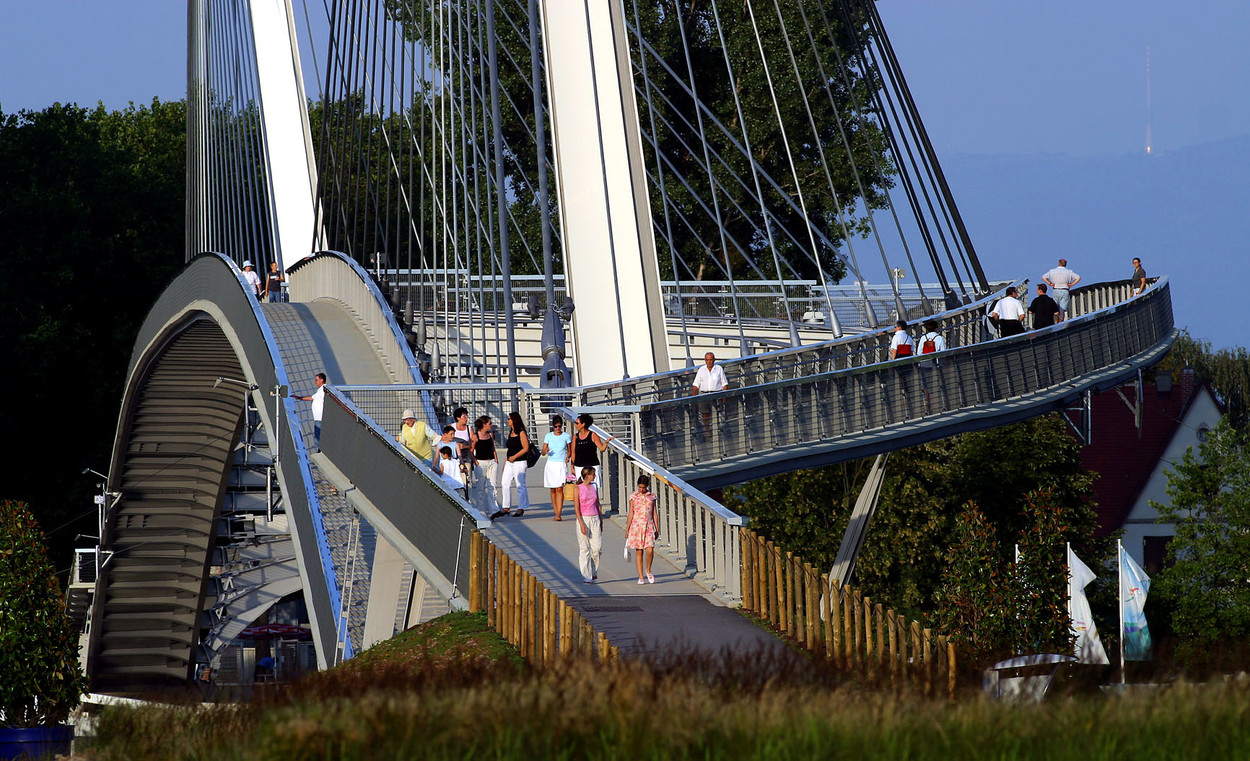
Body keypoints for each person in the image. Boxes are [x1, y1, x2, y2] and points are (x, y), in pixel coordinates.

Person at [496, 412, 531, 518]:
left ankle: (521, 508)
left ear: (514, 420)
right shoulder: (511, 432)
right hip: (509, 462)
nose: (508, 421)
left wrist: (514, 457)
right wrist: (506, 462)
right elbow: (510, 449)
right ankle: (506, 506)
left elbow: (526, 448)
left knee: (520, 484)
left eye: (509, 419)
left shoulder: (521, 432)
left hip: (519, 462)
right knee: (505, 482)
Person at [625, 475, 659, 584]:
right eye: (640, 487)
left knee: (650, 549)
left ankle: (648, 570)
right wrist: (627, 528)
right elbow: (631, 512)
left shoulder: (652, 496)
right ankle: (640, 576)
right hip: (637, 526)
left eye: (643, 487)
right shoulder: (633, 496)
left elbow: (654, 513)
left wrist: (657, 528)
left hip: (649, 525)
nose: (641, 489)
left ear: (647, 486)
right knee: (639, 551)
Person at [574, 467, 603, 583]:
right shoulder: (578, 488)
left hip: (595, 518)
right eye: (593, 474)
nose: (594, 476)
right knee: (584, 548)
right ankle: (587, 575)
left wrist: (601, 520)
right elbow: (576, 508)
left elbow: (598, 504)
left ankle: (593, 571)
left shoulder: (594, 486)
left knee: (597, 548)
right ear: (587, 475)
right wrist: (581, 524)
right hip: (584, 518)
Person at [691, 352, 729, 439]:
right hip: (704, 395)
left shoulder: (719, 369)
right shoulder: (701, 370)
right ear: (705, 360)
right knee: (705, 414)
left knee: (717, 414)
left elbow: (724, 384)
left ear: (714, 360)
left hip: (716, 394)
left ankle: (717, 431)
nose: (709, 362)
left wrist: (725, 396)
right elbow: (696, 385)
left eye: (711, 360)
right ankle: (708, 431)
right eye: (707, 360)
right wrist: (694, 397)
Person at [542, 416, 573, 521]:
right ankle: (556, 511)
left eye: (559, 426)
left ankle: (559, 513)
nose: (557, 428)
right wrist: (545, 451)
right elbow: (543, 451)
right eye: (555, 426)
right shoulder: (548, 436)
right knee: (553, 489)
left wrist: (568, 457)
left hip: (560, 464)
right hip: (551, 464)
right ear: (553, 426)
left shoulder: (566, 436)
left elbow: (569, 450)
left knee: (559, 488)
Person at [571, 413, 613, 490]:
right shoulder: (575, 437)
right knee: (581, 489)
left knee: (593, 488)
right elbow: (573, 452)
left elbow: (601, 449)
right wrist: (572, 467)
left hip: (592, 466)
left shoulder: (593, 435)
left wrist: (606, 443)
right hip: (579, 466)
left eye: (577, 423)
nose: (575, 425)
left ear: (583, 424)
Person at [290, 373, 327, 450]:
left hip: (320, 418)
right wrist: (299, 398)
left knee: (318, 437)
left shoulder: (324, 389)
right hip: (318, 418)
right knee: (317, 437)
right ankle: (320, 450)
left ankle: (320, 451)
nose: (315, 382)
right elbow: (312, 398)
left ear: (322, 380)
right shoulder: (320, 390)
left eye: (316, 380)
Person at [470, 416, 499, 511]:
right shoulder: (475, 436)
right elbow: (471, 451)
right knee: (480, 488)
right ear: (484, 424)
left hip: (491, 462)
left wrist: (496, 459)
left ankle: (494, 510)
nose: (491, 425)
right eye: (490, 423)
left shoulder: (490, 435)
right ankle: (480, 510)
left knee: (492, 487)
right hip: (481, 463)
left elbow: (493, 448)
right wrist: (475, 461)